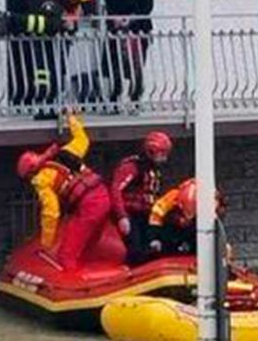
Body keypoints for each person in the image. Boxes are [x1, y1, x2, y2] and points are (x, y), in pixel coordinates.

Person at [16, 113, 112, 269]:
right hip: (104, 196)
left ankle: (75, 285)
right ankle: (94, 276)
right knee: (87, 246)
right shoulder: (65, 152)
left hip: (89, 206)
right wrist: (72, 119)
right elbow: (82, 139)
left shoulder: (41, 179)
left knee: (66, 255)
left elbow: (51, 211)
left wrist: (46, 243)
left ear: (30, 173)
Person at [109, 131, 172, 265]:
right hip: (131, 215)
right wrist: (122, 216)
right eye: (162, 153)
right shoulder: (131, 167)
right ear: (152, 151)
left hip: (147, 215)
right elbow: (115, 190)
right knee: (135, 249)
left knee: (153, 246)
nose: (164, 158)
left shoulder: (154, 170)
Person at [103, 0, 154, 103]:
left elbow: (147, 6)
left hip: (137, 30)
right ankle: (115, 95)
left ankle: (135, 97)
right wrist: (114, 18)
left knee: (135, 65)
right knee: (114, 63)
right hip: (116, 29)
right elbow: (109, 2)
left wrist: (131, 18)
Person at [147, 178, 224, 256]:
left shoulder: (212, 201)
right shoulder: (172, 196)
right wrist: (154, 238)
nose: (187, 216)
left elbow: (217, 222)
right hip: (172, 226)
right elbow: (156, 215)